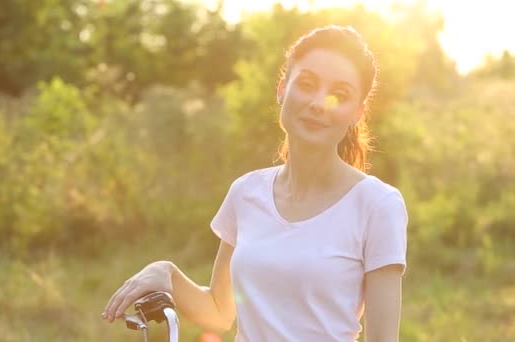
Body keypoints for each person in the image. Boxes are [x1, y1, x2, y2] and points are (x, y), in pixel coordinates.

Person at [103, 25, 408, 341]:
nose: (319, 103)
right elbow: (220, 312)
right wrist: (168, 273)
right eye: (306, 84)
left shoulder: (377, 204)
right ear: (282, 89)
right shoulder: (246, 193)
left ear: (356, 114)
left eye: (338, 95)